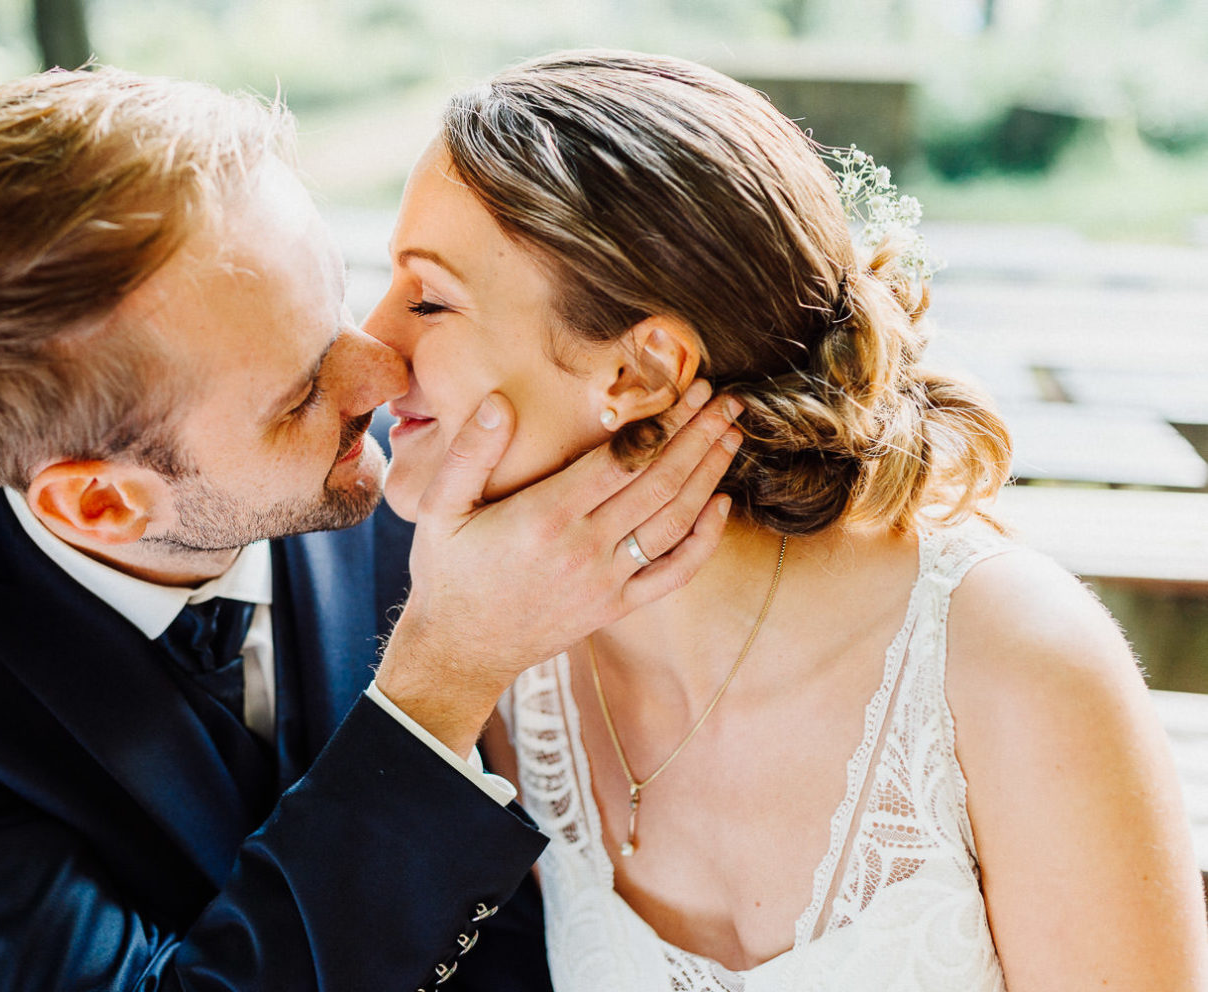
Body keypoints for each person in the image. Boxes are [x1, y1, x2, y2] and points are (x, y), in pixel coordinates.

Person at [0, 67, 748, 991]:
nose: (385, 374)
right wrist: (437, 681)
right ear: (104, 502)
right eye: (306, 386)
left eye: (338, 304)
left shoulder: (454, 438)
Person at [362, 50, 1208, 991]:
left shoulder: (1016, 663)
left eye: (428, 298)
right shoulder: (509, 669)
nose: (375, 346)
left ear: (640, 372)